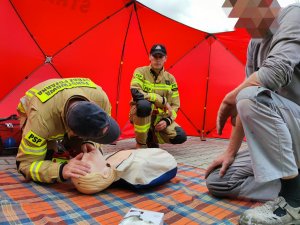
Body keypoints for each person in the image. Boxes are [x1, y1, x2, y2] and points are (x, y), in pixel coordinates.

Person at [205, 1, 300, 224]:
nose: (239, 22)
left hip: (297, 126)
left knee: (248, 96)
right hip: (282, 140)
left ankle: (293, 201)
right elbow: (248, 94)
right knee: (219, 180)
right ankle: (294, 182)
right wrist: (230, 152)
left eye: (241, 12)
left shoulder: (294, 15)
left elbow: (274, 73)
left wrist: (231, 97)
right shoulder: (255, 43)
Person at [16, 78, 120, 184]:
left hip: (63, 101)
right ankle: (59, 145)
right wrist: (61, 170)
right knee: (45, 162)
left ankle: (70, 144)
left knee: (84, 152)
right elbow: (25, 165)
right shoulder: (40, 122)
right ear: (72, 133)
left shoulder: (100, 98)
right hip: (34, 107)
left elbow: (96, 126)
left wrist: (90, 143)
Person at [129, 44, 187, 148]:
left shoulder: (171, 79)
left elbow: (175, 105)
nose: (158, 60)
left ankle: (151, 137)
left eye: (161, 57)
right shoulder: (140, 72)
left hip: (160, 118)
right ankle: (141, 143)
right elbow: (135, 92)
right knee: (144, 105)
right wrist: (162, 100)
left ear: (165, 58)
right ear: (150, 57)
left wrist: (167, 121)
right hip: (141, 113)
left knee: (180, 136)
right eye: (155, 56)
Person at [71, 147, 178, 194]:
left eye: (81, 160)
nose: (84, 156)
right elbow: (168, 161)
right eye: (87, 165)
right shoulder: (137, 171)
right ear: (104, 174)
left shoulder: (106, 160)